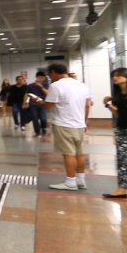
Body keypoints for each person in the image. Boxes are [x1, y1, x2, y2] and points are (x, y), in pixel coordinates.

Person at [38, 62, 92, 191]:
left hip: (64, 124)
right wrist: (84, 122)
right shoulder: (82, 85)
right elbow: (87, 105)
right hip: (79, 124)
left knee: (68, 154)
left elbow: (48, 106)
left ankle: (70, 182)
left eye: (50, 74)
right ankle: (81, 180)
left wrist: (38, 101)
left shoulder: (56, 86)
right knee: (80, 153)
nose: (50, 77)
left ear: (53, 72)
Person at [101, 68, 127, 199]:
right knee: (122, 160)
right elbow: (119, 114)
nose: (115, 77)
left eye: (118, 75)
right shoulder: (117, 95)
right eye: (114, 75)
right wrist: (108, 105)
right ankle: (122, 189)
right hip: (122, 130)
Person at [27, 71, 49, 136]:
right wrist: (26, 103)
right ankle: (37, 131)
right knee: (35, 118)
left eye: (43, 78)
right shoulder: (30, 85)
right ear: (36, 77)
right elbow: (27, 95)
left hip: (43, 104)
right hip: (33, 104)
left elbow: (47, 93)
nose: (41, 79)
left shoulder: (46, 85)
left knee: (43, 118)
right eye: (39, 77)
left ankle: (43, 128)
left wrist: (41, 87)